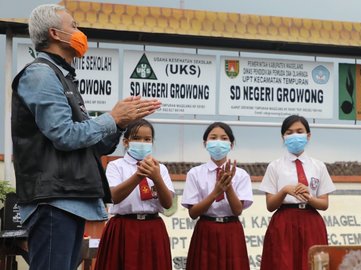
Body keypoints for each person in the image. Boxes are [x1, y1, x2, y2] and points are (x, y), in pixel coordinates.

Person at [11, 4, 160, 270]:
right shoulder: (41, 74)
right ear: (56, 34)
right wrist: (111, 118)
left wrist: (120, 123)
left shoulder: (63, 77)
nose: (80, 32)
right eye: (74, 26)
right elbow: (64, 135)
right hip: (53, 201)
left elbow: (94, 144)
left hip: (70, 200)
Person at [94, 119, 174, 270]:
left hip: (153, 228)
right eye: (137, 138)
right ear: (126, 142)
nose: (142, 142)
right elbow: (113, 196)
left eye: (147, 139)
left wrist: (156, 178)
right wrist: (139, 175)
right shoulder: (115, 166)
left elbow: (168, 204)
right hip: (123, 228)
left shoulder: (160, 168)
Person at [259, 115, 336, 270]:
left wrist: (309, 198)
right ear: (283, 137)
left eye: (299, 131)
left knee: (311, 265)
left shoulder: (318, 166)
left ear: (308, 135)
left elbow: (324, 204)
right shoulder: (275, 166)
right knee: (283, 264)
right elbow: (270, 205)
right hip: (283, 224)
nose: (295, 135)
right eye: (289, 132)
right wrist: (284, 191)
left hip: (311, 223)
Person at [181, 122, 253, 270]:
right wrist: (216, 192)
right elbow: (193, 213)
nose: (218, 142)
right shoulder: (195, 173)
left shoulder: (241, 174)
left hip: (231, 231)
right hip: (205, 230)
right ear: (205, 143)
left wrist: (228, 186)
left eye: (224, 138)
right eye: (213, 138)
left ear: (231, 145)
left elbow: (237, 210)